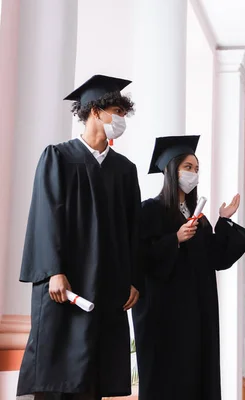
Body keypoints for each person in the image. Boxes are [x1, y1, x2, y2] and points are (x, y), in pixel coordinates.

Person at [17, 75, 142, 400]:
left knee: (93, 379)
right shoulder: (58, 158)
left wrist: (132, 279)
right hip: (66, 286)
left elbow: (132, 230)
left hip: (105, 286)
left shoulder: (124, 170)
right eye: (117, 110)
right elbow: (45, 218)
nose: (121, 120)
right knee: (58, 375)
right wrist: (52, 270)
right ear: (95, 111)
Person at [132, 135, 245, 400]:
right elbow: (140, 258)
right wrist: (174, 239)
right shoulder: (150, 211)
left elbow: (218, 259)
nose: (194, 174)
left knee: (199, 377)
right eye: (188, 167)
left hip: (199, 314)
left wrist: (224, 221)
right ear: (171, 171)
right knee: (168, 381)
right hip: (165, 316)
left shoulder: (199, 218)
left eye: (196, 169)